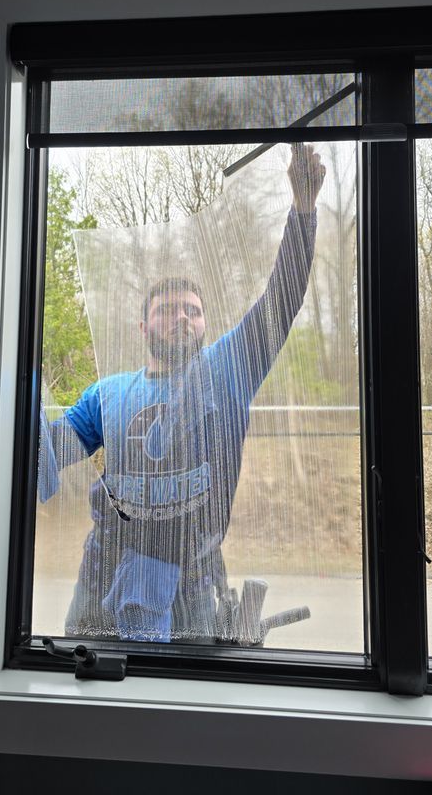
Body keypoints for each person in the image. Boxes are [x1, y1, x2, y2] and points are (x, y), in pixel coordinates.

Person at [38, 143, 325, 643]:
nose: (181, 317)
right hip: (102, 578)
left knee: (181, 707)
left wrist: (303, 210)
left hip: (192, 583)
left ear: (206, 324)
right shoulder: (108, 393)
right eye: (167, 309)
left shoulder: (227, 370)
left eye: (192, 310)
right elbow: (48, 452)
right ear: (142, 324)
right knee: (83, 695)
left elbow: (280, 301)